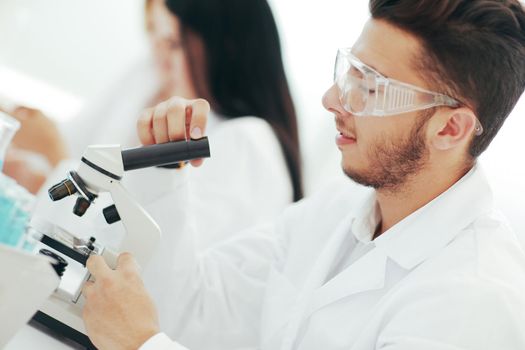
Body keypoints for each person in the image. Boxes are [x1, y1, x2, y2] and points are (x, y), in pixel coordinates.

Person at [82, 0, 525, 349]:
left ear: (450, 128)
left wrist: (142, 346)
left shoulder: (472, 301)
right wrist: (165, 170)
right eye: (348, 72)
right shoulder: (337, 209)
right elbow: (190, 310)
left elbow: (148, 333)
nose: (333, 99)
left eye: (370, 87)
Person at [12, 0, 302, 250]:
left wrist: (55, 159)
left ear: (227, 49)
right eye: (156, 39)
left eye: (174, 44)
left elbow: (147, 248)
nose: (160, 61)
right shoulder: (150, 79)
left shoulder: (248, 143)